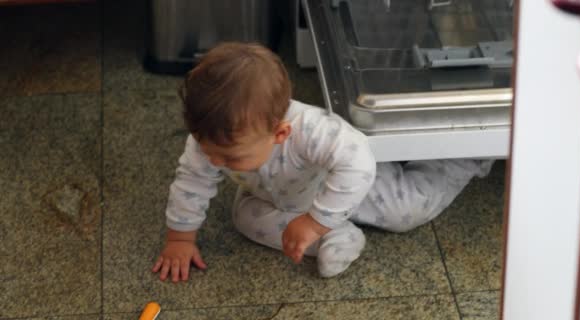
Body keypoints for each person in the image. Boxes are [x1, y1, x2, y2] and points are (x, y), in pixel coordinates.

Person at [151, 42, 493, 282]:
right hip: (278, 198)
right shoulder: (210, 137)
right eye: (207, 148)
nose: (214, 160)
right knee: (243, 218)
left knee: (407, 211)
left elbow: (358, 162)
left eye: (228, 156)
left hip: (348, 185)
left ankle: (464, 159)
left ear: (280, 133)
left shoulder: (311, 130)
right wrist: (180, 240)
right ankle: (339, 236)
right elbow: (191, 183)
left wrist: (315, 221)